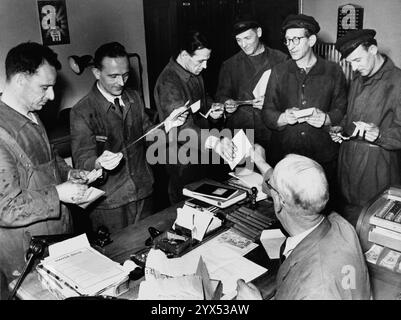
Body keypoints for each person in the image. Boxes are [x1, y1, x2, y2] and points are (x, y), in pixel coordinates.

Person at [0, 42, 89, 299]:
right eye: (44, 87)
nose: (51, 96)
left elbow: (49, 157)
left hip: (56, 241)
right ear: (19, 80)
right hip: (25, 257)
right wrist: (58, 194)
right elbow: (5, 209)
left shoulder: (30, 112)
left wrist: (69, 173)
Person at [70, 42, 188, 234]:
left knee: (148, 250)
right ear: (96, 73)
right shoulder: (82, 111)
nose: (122, 82)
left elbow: (148, 133)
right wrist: (98, 162)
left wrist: (168, 125)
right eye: (114, 76)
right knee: (116, 258)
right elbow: (82, 159)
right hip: (110, 202)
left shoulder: (134, 98)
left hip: (143, 191)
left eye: (125, 75)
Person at [236, 153, 371, 300]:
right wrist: (260, 161)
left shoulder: (316, 290)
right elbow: (291, 188)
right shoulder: (341, 224)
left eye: (271, 187)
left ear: (279, 201)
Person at [261, 14, 347, 209]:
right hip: (286, 156)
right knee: (284, 211)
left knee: (322, 211)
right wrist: (282, 117)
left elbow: (342, 110)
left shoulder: (333, 72)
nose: (290, 45)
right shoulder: (278, 72)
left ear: (311, 40)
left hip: (322, 158)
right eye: (287, 40)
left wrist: (326, 118)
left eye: (296, 39)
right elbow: (267, 112)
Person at [331, 29, 401, 226]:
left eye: (357, 60)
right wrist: (341, 129)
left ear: (373, 49)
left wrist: (379, 134)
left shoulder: (397, 81)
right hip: (348, 169)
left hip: (377, 173)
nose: (354, 67)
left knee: (369, 228)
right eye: (350, 62)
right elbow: (351, 117)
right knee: (346, 226)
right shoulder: (358, 78)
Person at [154, 30, 232, 204]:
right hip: (184, 161)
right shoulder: (169, 82)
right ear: (183, 55)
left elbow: (203, 100)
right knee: (188, 209)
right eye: (201, 61)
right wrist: (216, 142)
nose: (205, 66)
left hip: (201, 153)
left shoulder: (193, 71)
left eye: (207, 60)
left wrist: (213, 110)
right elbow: (182, 129)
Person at [215, 16, 288, 156]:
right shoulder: (230, 65)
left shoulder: (281, 60)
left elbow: (291, 97)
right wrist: (227, 103)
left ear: (259, 32)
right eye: (238, 40)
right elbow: (221, 95)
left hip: (272, 133)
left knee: (272, 174)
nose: (243, 44)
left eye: (247, 38)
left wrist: (272, 103)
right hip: (241, 133)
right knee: (242, 176)